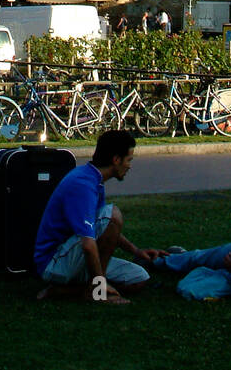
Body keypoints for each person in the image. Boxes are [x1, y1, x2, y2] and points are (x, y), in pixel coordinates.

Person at [34, 130, 165, 304]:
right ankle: (96, 291)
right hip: (54, 262)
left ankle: (64, 291)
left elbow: (104, 228)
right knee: (113, 214)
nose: (129, 166)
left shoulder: (95, 180)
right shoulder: (82, 184)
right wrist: (100, 283)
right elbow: (88, 244)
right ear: (116, 160)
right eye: (129, 160)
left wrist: (136, 251)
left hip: (73, 256)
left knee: (139, 278)